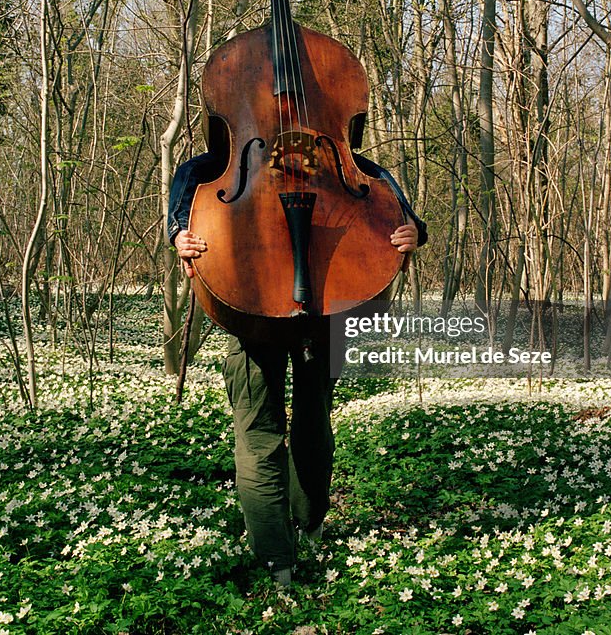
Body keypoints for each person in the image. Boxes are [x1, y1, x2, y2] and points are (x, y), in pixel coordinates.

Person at [167, 149, 427, 586]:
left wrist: (413, 230)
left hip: (326, 303)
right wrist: (179, 231)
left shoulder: (342, 162)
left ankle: (305, 531)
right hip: (251, 303)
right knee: (263, 435)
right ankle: (279, 557)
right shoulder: (218, 165)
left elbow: (388, 194)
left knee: (307, 426)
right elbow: (189, 181)